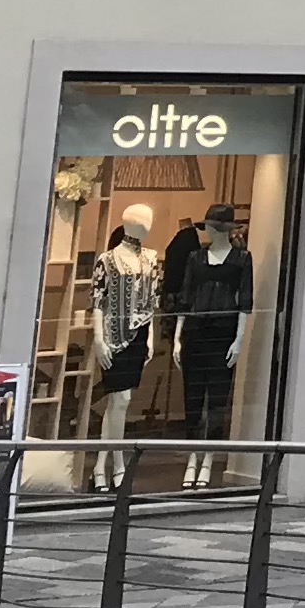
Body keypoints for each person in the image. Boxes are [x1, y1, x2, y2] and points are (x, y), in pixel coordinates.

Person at [163, 204, 257, 439]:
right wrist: (178, 338)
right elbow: (186, 298)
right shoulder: (195, 258)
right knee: (192, 394)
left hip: (223, 334)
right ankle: (192, 451)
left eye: (214, 227)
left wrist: (239, 339)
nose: (210, 231)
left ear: (224, 229)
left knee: (218, 396)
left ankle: (210, 453)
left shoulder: (241, 259)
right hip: (194, 332)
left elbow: (245, 301)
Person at [88, 204, 162, 489]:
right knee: (120, 400)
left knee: (118, 402)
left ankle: (99, 467)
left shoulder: (151, 259)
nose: (147, 224)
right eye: (142, 220)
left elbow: (151, 301)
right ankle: (118, 464)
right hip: (112, 336)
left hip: (139, 334)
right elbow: (98, 300)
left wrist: (151, 336)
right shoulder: (107, 260)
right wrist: (98, 339)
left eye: (149, 219)